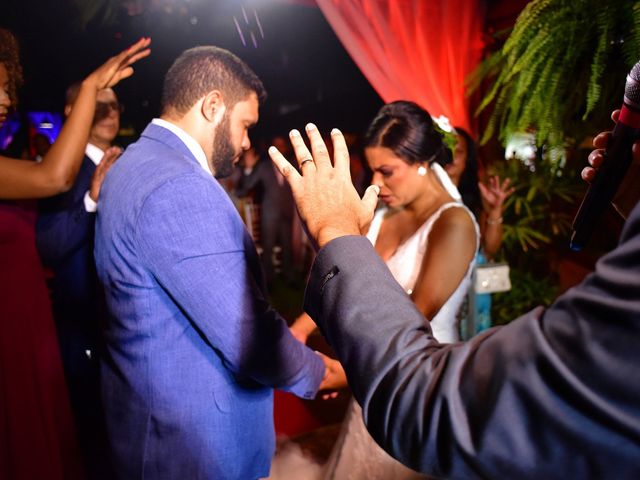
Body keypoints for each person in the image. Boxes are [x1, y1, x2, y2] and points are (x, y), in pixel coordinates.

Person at [268, 111, 640, 479]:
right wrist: (299, 330)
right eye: (373, 170)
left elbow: (418, 312)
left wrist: (348, 370)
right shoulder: (383, 211)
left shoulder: (455, 223)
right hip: (380, 364)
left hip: (424, 378)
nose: (377, 183)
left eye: (388, 171)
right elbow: (354, 278)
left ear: (421, 164)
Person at [93, 46, 337, 479]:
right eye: (245, 126)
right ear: (212, 106)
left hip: (146, 419)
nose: (246, 143)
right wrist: (320, 373)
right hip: (193, 444)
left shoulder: (133, 162)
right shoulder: (180, 185)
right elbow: (246, 333)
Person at [0, 29, 150, 480]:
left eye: (8, 86)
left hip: (33, 324)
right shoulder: (50, 166)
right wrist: (89, 87)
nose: (6, 98)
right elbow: (56, 178)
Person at [36, 82, 124, 477]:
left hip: (122, 321)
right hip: (82, 321)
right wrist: (91, 199)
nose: (110, 113)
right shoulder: (62, 170)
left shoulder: (124, 162)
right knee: (91, 436)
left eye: (115, 105)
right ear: (74, 111)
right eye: (99, 105)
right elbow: (49, 245)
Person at [446, 127, 515, 335]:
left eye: (458, 152)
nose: (451, 157)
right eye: (447, 149)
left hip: (470, 291)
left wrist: (494, 212)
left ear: (467, 158)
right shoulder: (423, 197)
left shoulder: (476, 197)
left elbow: (489, 251)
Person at [236, 135, 296, 287]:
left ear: (286, 147)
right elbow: (245, 189)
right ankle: (270, 280)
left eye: (282, 145)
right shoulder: (264, 167)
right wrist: (248, 168)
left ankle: (289, 277)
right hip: (270, 214)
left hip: (287, 212)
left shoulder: (292, 165)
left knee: (288, 247)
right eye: (276, 145)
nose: (279, 148)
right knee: (268, 248)